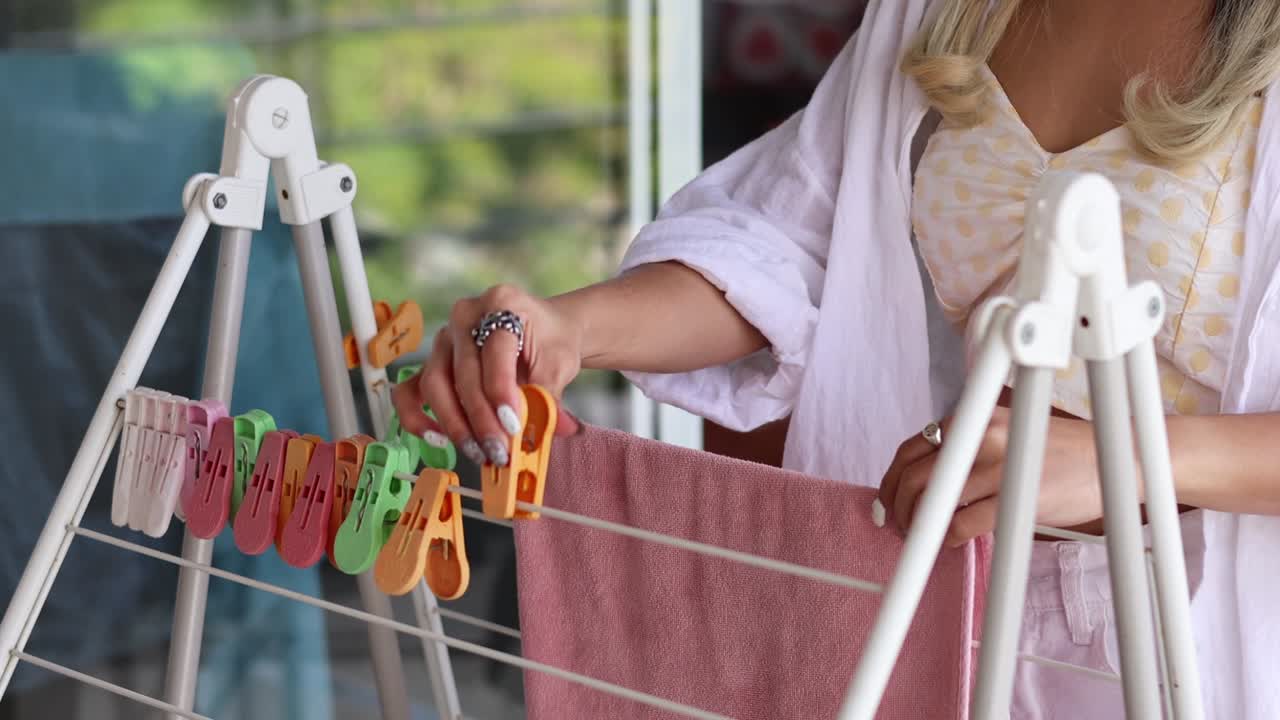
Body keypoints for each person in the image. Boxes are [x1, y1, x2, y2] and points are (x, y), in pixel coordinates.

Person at [393, 0, 1280, 717]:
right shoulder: (944, 13)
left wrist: (1129, 459)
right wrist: (567, 327)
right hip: (938, 600)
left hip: (1190, 640)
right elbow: (792, 237)